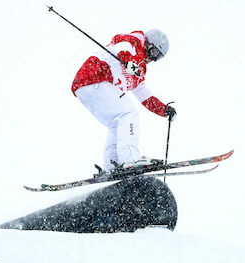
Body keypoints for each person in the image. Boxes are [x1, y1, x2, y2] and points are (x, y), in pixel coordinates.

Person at [71, 29, 176, 172]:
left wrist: (164, 110)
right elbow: (123, 47)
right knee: (129, 114)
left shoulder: (139, 69)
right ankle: (130, 159)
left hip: (87, 86)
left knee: (117, 123)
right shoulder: (134, 41)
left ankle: (112, 166)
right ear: (148, 44)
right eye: (154, 53)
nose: (152, 59)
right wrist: (128, 61)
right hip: (95, 77)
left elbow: (145, 96)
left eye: (157, 58)